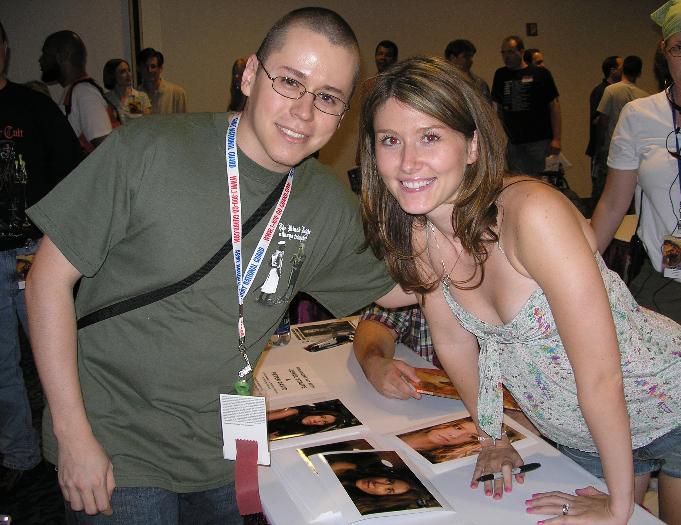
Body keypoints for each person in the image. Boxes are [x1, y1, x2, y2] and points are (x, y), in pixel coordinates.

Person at [24, 7, 404, 523]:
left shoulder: (323, 203)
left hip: (222, 451)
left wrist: (447, 202)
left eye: (328, 98)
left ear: (341, 115)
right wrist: (72, 436)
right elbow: (46, 280)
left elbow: (398, 291)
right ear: (250, 76)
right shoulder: (148, 149)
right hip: (117, 444)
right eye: (290, 81)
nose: (304, 111)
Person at [359, 55, 681, 524]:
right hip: (584, 436)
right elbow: (455, 344)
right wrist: (492, 437)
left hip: (676, 404)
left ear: (472, 146)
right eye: (390, 140)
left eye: (430, 136)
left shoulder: (531, 214)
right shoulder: (423, 235)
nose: (407, 161)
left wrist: (618, 507)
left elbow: (602, 376)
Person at [0, 19, 82, 494]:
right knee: (1, 367)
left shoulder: (32, 107)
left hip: (35, 253)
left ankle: (68, 447)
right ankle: (19, 455)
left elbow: (72, 172)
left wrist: (58, 240)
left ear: (5, 48)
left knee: (58, 357)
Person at [592, 0, 681, 341]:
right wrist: (576, 267)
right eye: (680, 48)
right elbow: (613, 204)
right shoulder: (639, 116)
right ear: (664, 50)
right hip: (668, 282)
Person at [492, 35, 561, 175]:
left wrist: (556, 139)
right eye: (503, 53)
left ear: (521, 52)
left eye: (510, 52)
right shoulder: (501, 75)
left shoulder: (540, 74)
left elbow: (554, 107)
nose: (506, 56)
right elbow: (498, 109)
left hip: (540, 140)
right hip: (514, 142)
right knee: (519, 179)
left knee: (542, 179)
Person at [39, 30, 113, 152]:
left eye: (45, 54)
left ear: (62, 56)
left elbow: (108, 150)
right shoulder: (74, 91)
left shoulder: (84, 93)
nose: (40, 60)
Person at [592, 56, 649, 205]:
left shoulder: (611, 90)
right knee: (629, 192)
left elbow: (603, 121)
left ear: (623, 70)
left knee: (604, 191)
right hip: (634, 150)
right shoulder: (645, 97)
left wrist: (598, 146)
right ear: (639, 73)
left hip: (611, 148)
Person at [586, 55, 622, 204]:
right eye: (621, 67)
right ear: (612, 70)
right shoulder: (601, 91)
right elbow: (596, 120)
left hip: (616, 149)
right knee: (601, 191)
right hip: (602, 149)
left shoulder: (620, 91)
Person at [136, 47, 187, 114]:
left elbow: (183, 120)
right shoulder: (134, 95)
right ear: (139, 69)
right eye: (145, 67)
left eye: (153, 66)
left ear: (160, 68)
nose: (149, 70)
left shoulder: (177, 93)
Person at [103, 58, 151, 124]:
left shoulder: (141, 97)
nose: (129, 74)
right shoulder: (106, 99)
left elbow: (148, 123)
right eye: (123, 72)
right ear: (112, 76)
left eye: (129, 70)